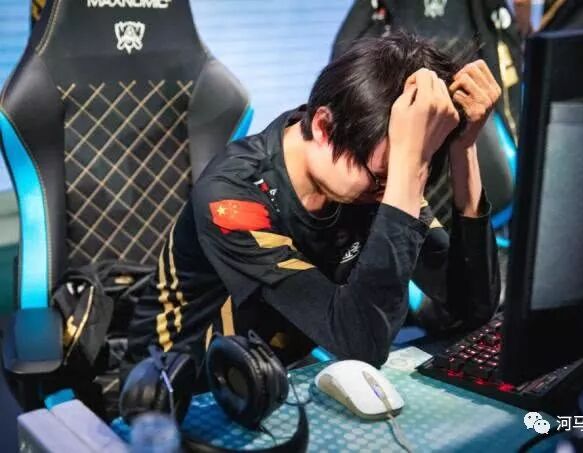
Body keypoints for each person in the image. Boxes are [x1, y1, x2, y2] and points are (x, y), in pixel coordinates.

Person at [122, 32, 501, 377]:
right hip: (178, 387)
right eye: (386, 175)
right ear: (323, 127)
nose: (392, 191)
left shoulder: (371, 175)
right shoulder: (232, 197)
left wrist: (463, 148)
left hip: (279, 373)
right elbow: (362, 343)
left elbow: (473, 308)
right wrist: (404, 171)